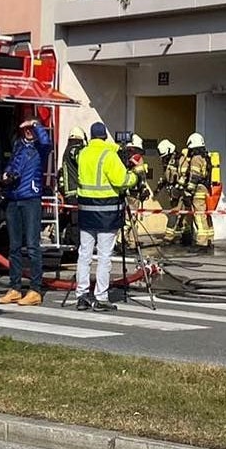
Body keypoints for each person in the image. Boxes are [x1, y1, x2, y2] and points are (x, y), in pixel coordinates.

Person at [74, 122, 142, 312]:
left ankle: (81, 295)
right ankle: (101, 297)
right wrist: (135, 175)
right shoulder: (109, 155)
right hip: (106, 212)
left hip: (86, 212)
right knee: (104, 256)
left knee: (84, 254)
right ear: (105, 136)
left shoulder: (84, 154)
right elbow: (121, 180)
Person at [0, 119, 53, 307]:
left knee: (32, 245)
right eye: (26, 129)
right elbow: (12, 166)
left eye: (31, 130)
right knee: (14, 246)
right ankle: (15, 287)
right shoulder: (18, 147)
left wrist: (36, 124)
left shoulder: (40, 149)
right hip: (13, 198)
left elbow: (47, 141)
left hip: (30, 199)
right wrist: (5, 177)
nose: (29, 132)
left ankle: (35, 289)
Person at [182, 132, 215, 254]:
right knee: (206, 215)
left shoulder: (196, 158)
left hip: (198, 190)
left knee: (199, 215)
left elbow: (194, 177)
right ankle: (210, 239)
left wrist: (188, 192)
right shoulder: (205, 157)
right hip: (205, 188)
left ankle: (202, 243)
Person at [119, 135, 152, 250]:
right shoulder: (137, 157)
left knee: (127, 217)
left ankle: (127, 240)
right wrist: (143, 188)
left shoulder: (122, 156)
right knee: (130, 218)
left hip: (124, 191)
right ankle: (121, 241)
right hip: (133, 193)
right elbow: (140, 174)